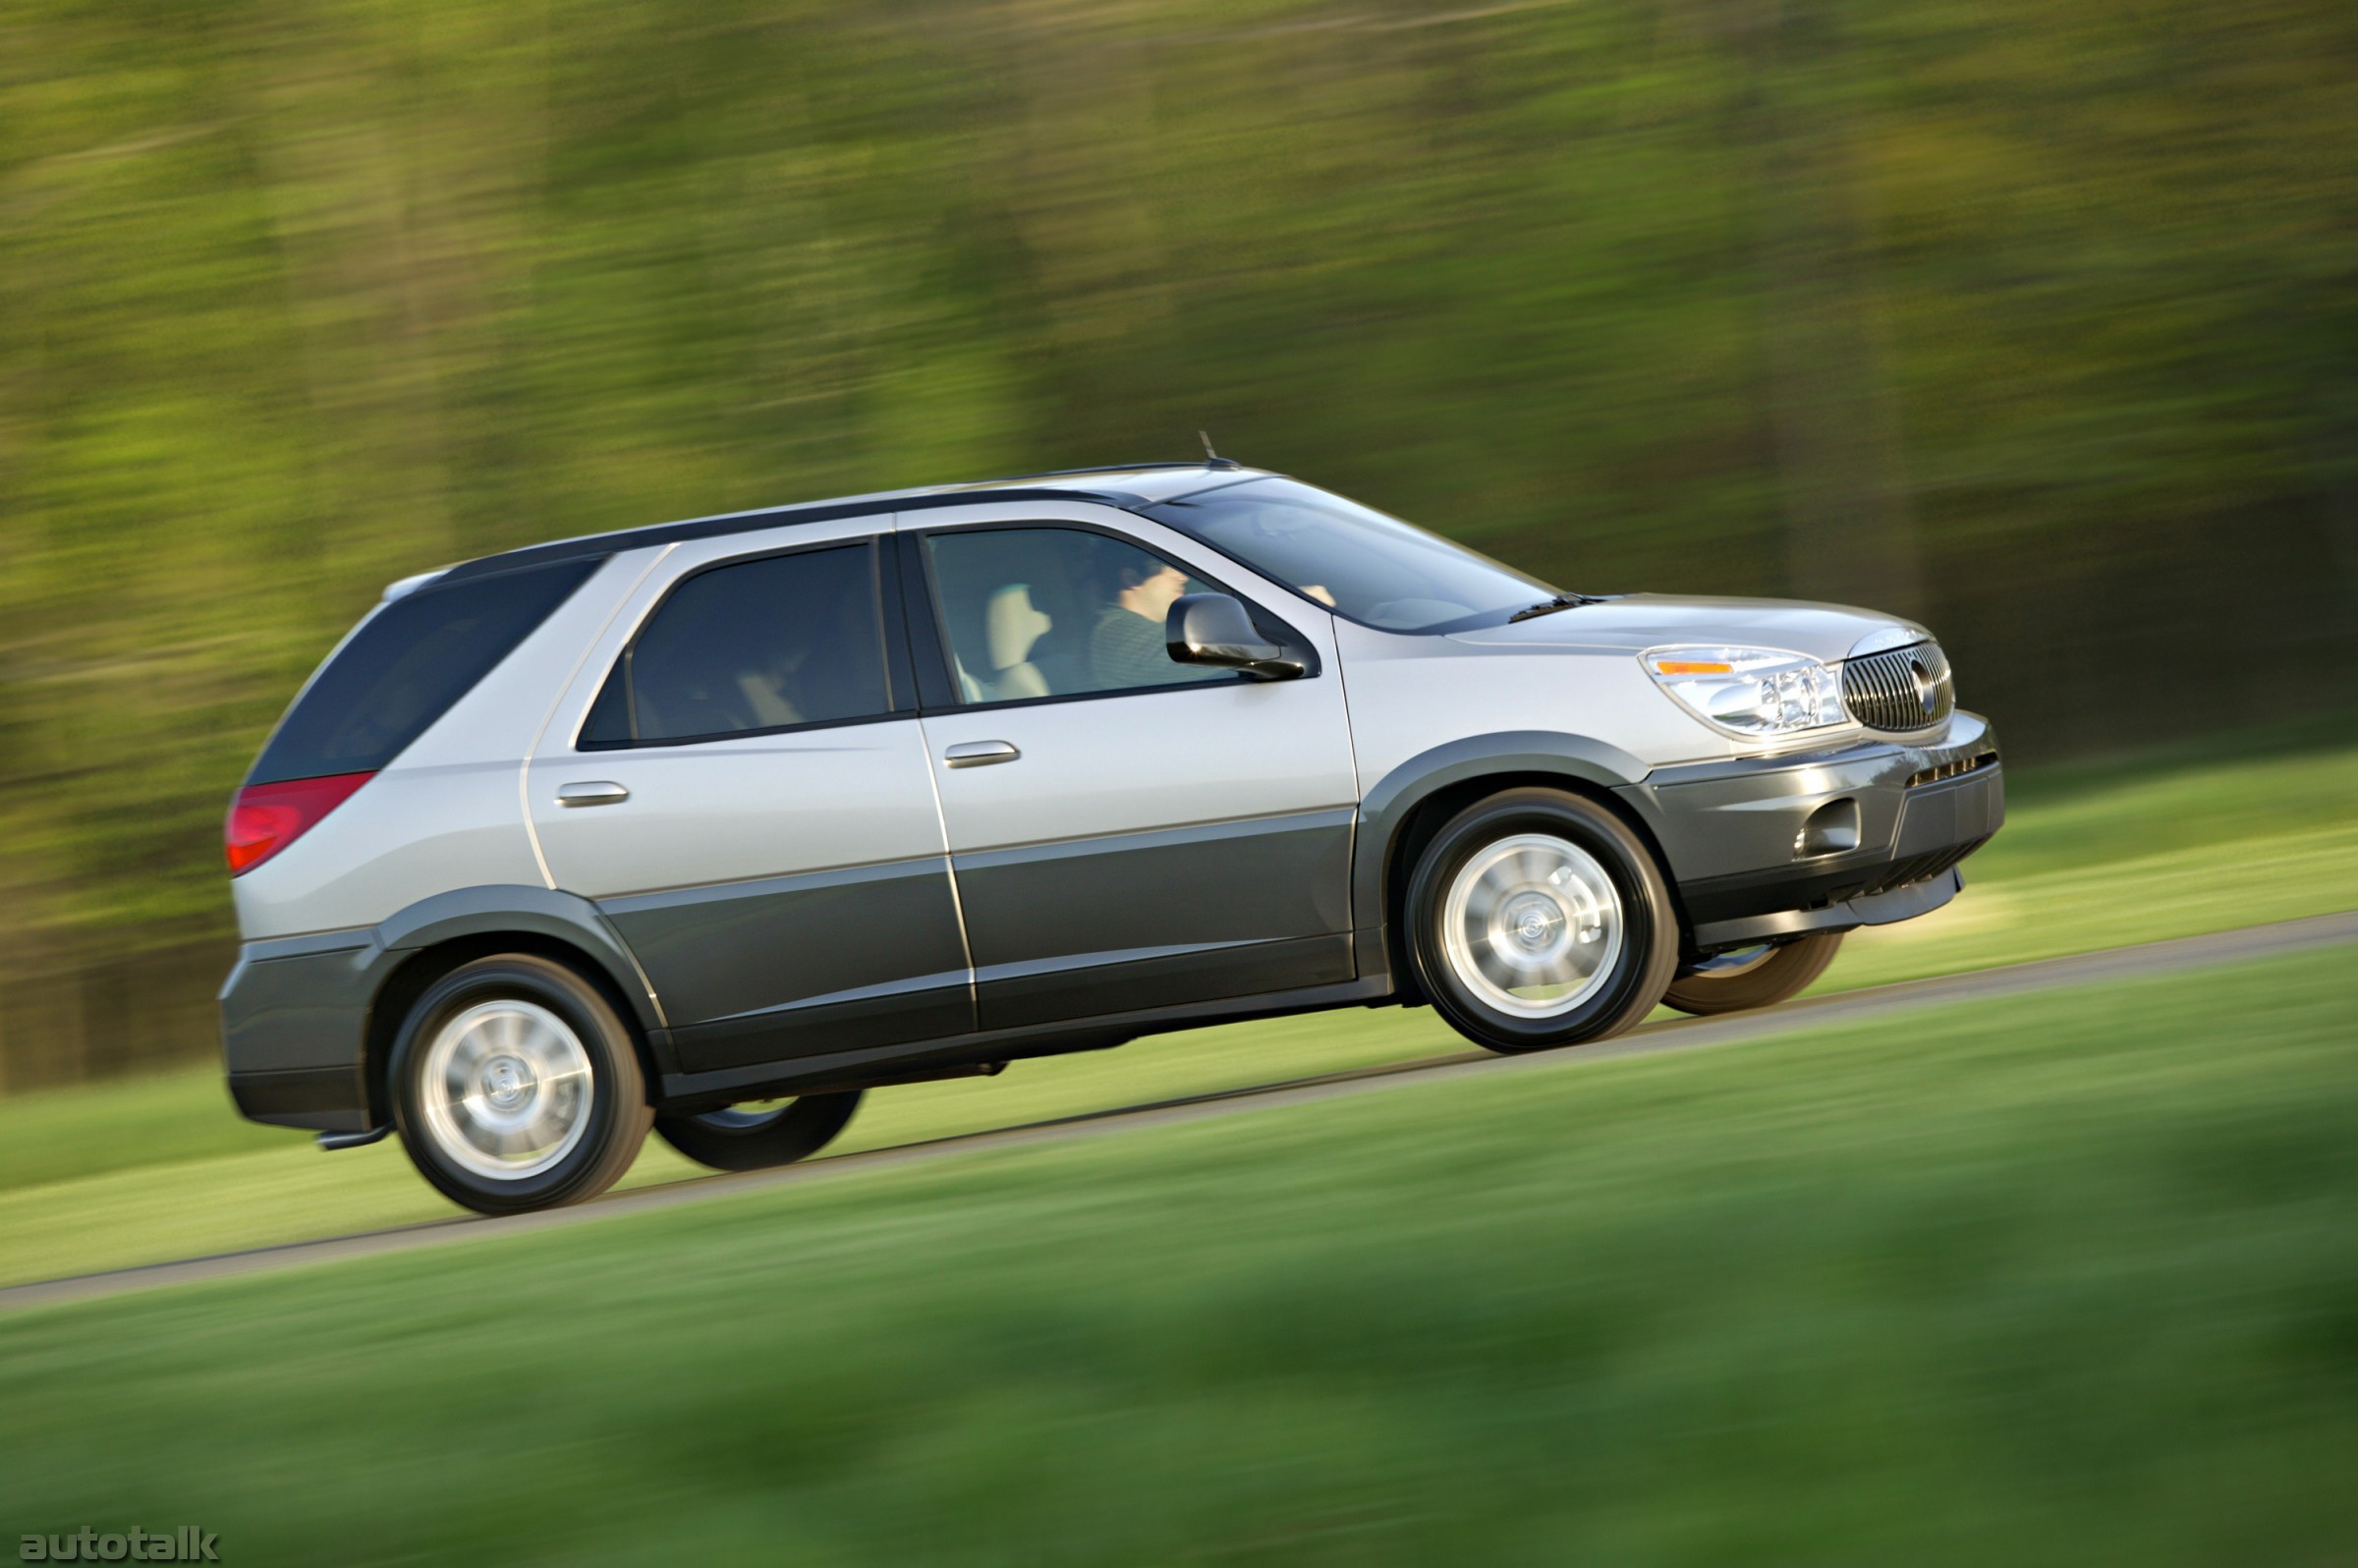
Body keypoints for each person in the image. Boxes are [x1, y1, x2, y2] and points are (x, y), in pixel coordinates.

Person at [1089, 555, 1200, 690]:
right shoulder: (1116, 633)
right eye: (1165, 567)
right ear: (1131, 579)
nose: (1183, 578)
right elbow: (1216, 649)